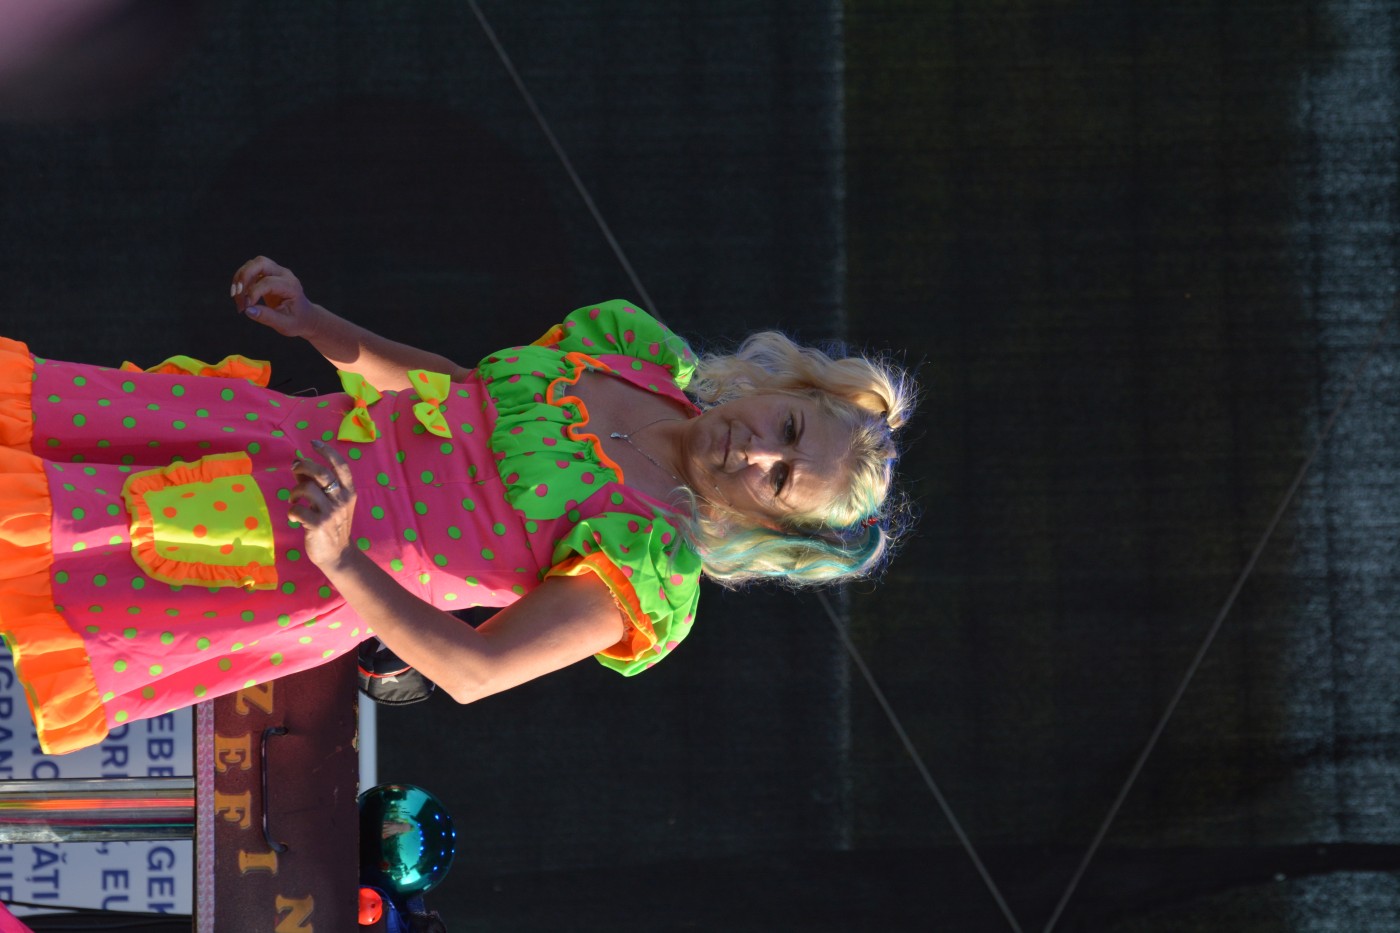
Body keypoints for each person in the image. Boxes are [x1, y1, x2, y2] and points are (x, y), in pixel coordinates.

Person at [0, 257, 913, 754]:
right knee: (34, 445)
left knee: (47, 530)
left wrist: (339, 558)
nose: (757, 450)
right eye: (788, 427)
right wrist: (317, 322)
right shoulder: (635, 351)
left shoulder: (650, 562)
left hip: (288, 544)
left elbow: (475, 670)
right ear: (781, 387)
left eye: (781, 478)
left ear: (769, 524)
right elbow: (454, 389)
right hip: (277, 436)